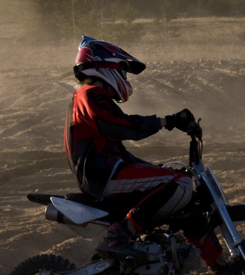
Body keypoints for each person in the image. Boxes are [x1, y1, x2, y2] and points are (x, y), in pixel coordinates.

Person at [65, 36, 198, 260]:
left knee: (173, 179)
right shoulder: (90, 94)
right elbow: (121, 126)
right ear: (105, 66)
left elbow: (120, 153)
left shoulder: (95, 97)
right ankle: (118, 236)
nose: (125, 78)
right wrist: (167, 121)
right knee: (181, 184)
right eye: (123, 70)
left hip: (107, 173)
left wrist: (156, 168)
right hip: (103, 177)